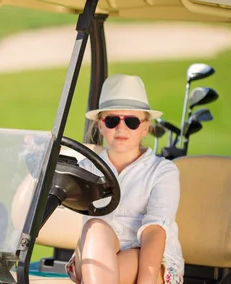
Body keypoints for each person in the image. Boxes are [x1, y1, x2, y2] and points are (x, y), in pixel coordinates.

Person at [66, 74, 184, 284]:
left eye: (131, 121)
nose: (121, 128)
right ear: (101, 126)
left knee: (133, 260)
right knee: (95, 226)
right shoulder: (85, 168)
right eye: (112, 120)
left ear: (145, 127)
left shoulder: (162, 171)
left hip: (148, 258)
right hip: (95, 254)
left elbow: (155, 231)